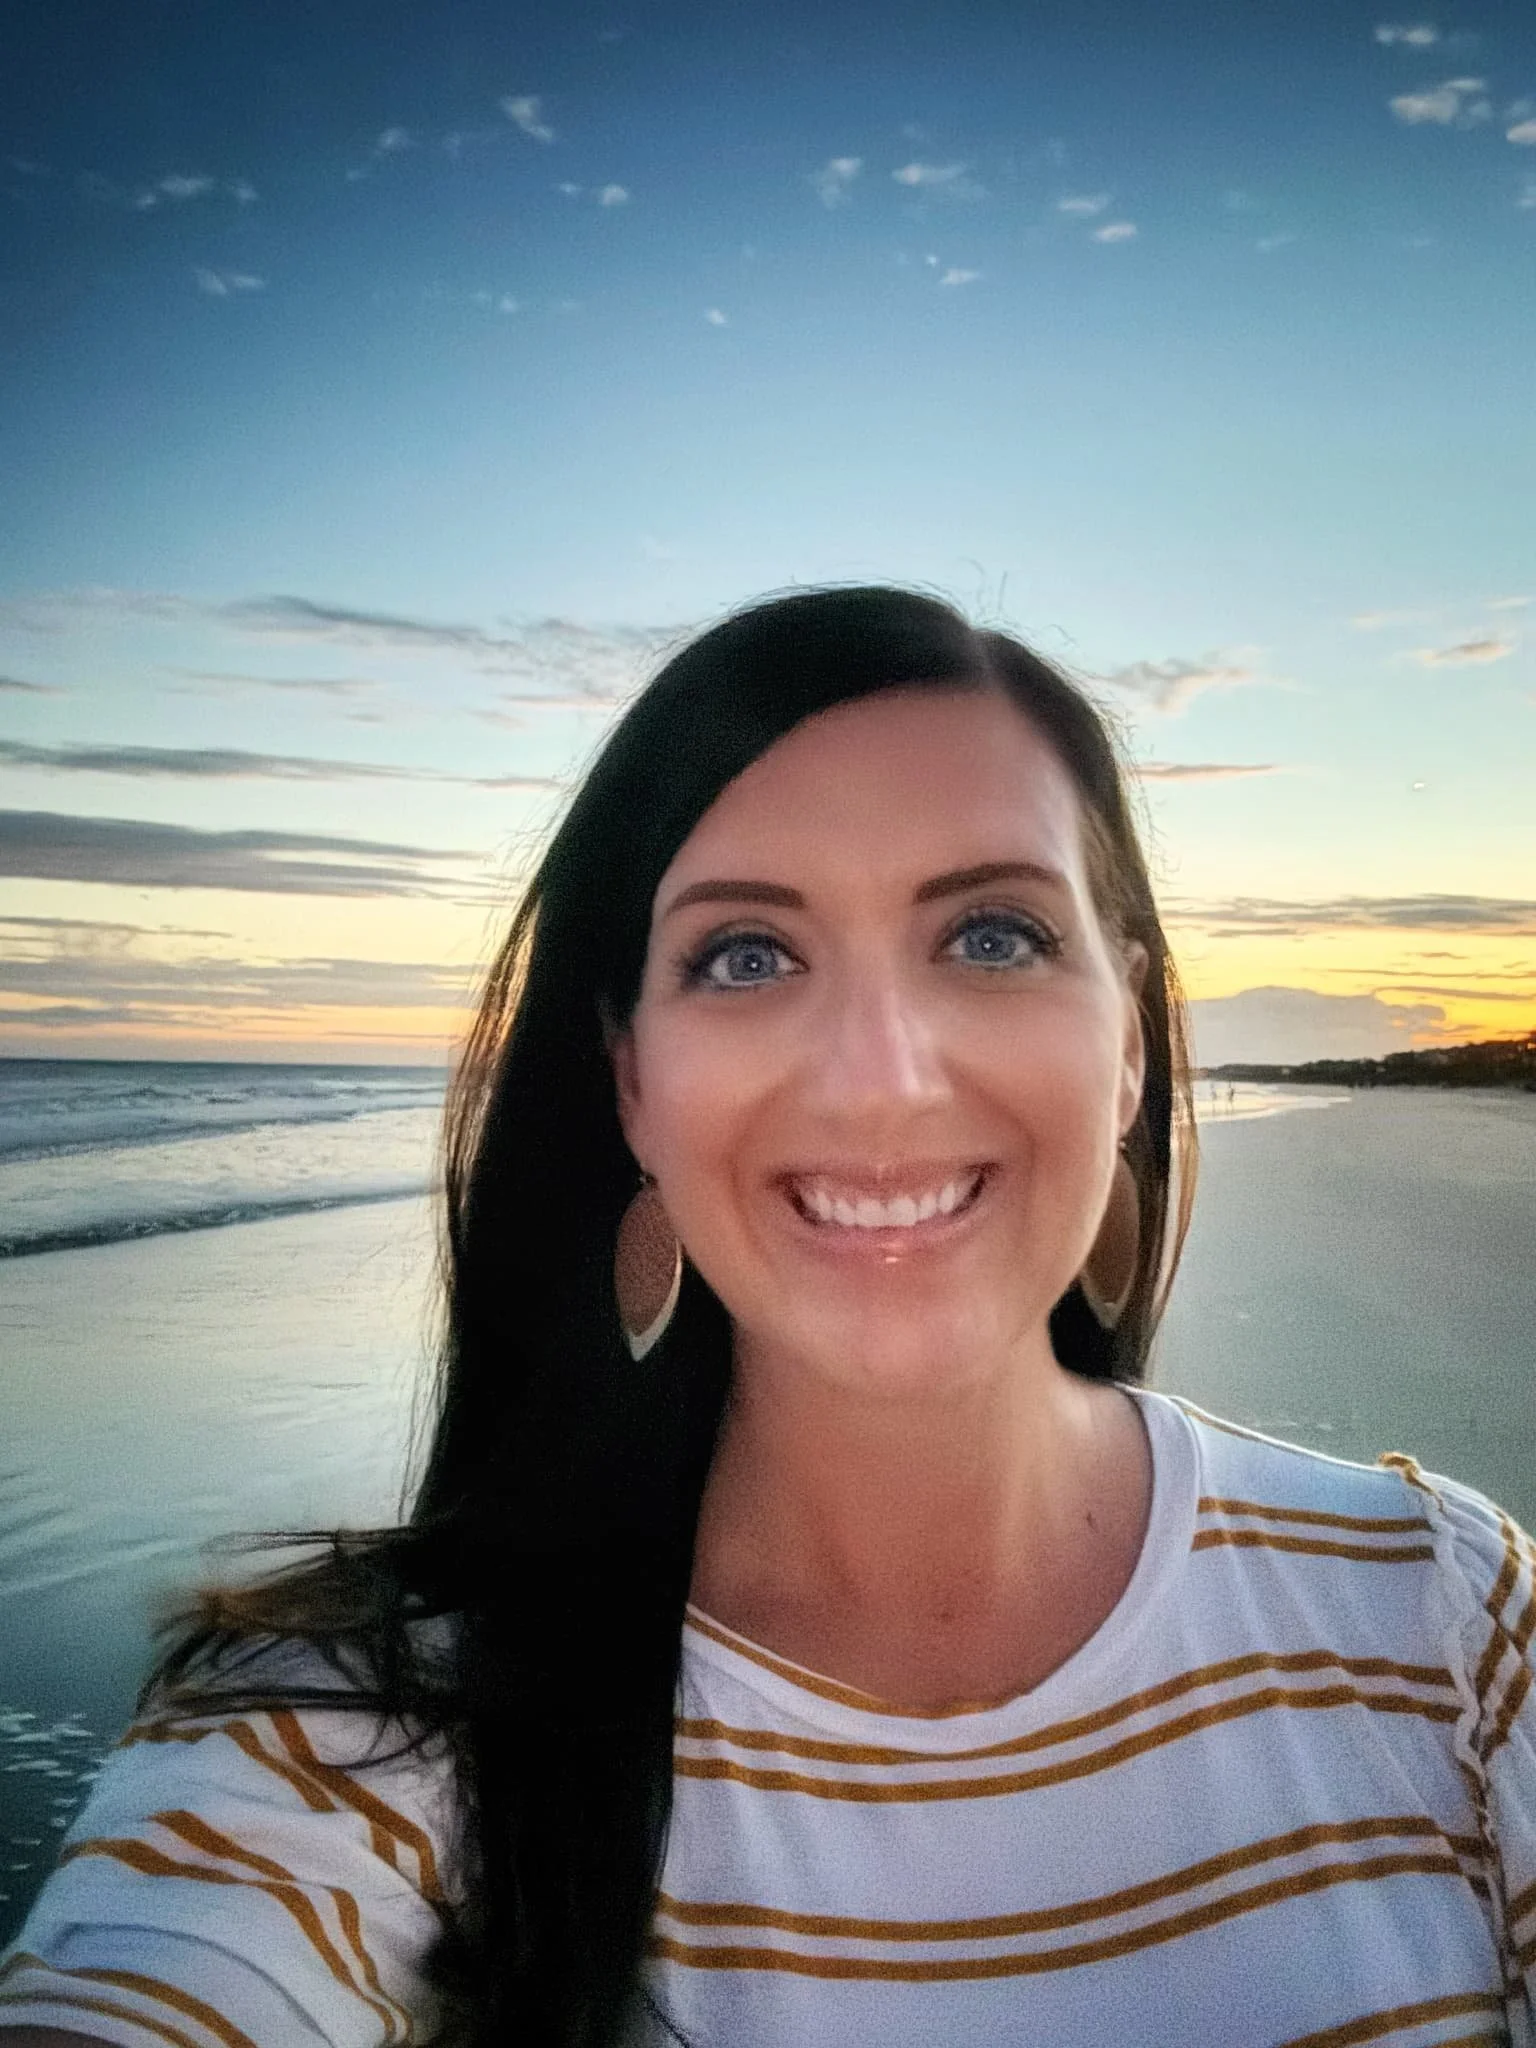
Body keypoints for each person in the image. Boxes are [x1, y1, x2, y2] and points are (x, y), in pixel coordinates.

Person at [1, 585, 1532, 2048]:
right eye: (747, 955)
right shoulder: (348, 1742)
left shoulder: (1451, 1621)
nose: (880, 1077)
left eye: (991, 935)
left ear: (1128, 1039)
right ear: (631, 1084)